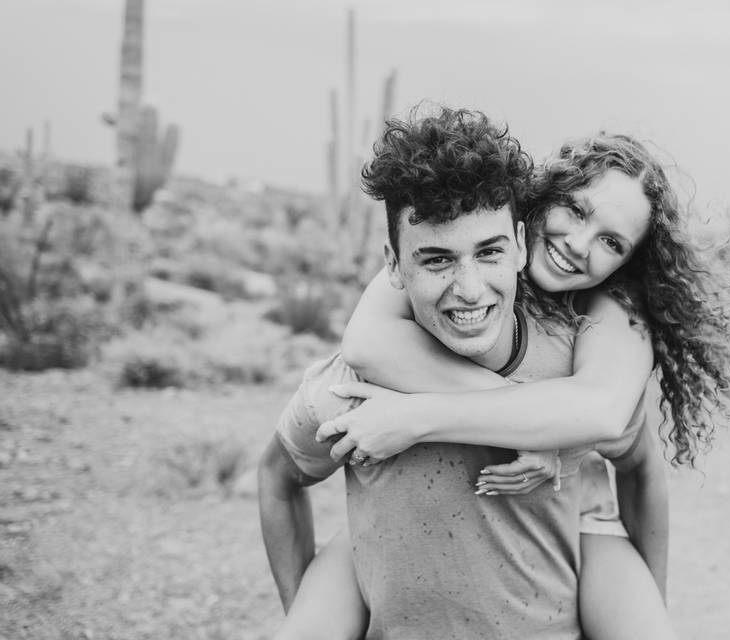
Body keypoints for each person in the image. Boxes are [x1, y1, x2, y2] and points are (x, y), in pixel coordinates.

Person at [259, 107, 676, 640]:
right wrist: (534, 421)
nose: (578, 242)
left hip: (583, 519)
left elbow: (607, 421)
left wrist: (422, 419)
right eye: (575, 209)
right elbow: (364, 343)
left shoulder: (607, 323)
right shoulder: (367, 363)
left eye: (612, 241)